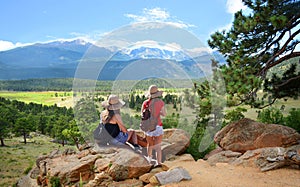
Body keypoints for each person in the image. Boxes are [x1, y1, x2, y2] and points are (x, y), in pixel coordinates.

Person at [141, 85, 166, 166]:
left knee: (150, 144)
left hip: (148, 127)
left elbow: (142, 114)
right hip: (158, 125)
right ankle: (159, 162)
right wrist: (159, 112)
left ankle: (149, 160)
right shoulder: (160, 102)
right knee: (158, 146)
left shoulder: (145, 103)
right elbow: (164, 114)